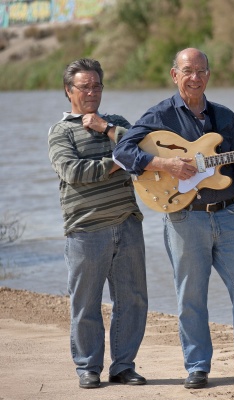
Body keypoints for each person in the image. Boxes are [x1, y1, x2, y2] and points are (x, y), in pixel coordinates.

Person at [113, 48, 234, 387]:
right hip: (184, 218)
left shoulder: (224, 117)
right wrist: (165, 164)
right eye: (188, 71)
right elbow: (122, 151)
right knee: (191, 296)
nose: (195, 77)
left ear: (209, 74)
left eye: (201, 71)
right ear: (174, 75)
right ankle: (197, 367)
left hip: (228, 214)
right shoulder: (159, 115)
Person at [48, 58, 148, 389]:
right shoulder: (61, 131)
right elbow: (74, 172)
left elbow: (145, 150)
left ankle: (123, 366)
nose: (91, 92)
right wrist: (119, 160)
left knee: (133, 300)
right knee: (85, 304)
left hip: (127, 224)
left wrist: (106, 128)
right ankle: (88, 368)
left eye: (97, 86)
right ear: (68, 91)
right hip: (86, 230)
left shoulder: (116, 123)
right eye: (84, 86)